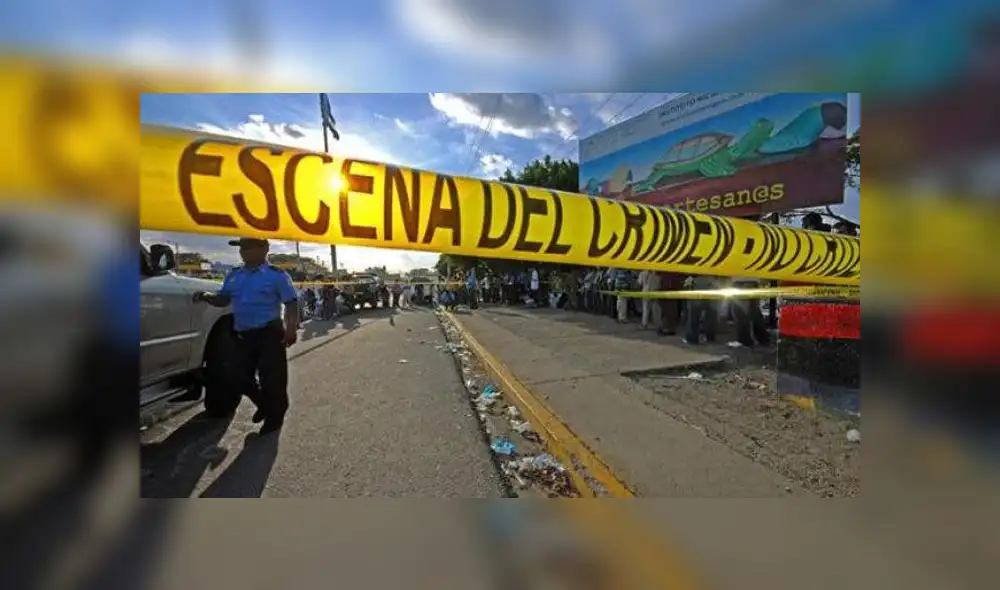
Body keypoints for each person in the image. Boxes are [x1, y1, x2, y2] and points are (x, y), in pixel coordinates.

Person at [193, 238, 298, 434]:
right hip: (243, 334)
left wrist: (291, 328)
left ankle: (274, 419)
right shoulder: (234, 275)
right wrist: (206, 296)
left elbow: (291, 303)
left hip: (269, 333)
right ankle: (265, 404)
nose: (243, 252)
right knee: (237, 376)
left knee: (273, 379)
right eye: (241, 248)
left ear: (264, 249)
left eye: (248, 247)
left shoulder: (276, 276)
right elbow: (223, 299)